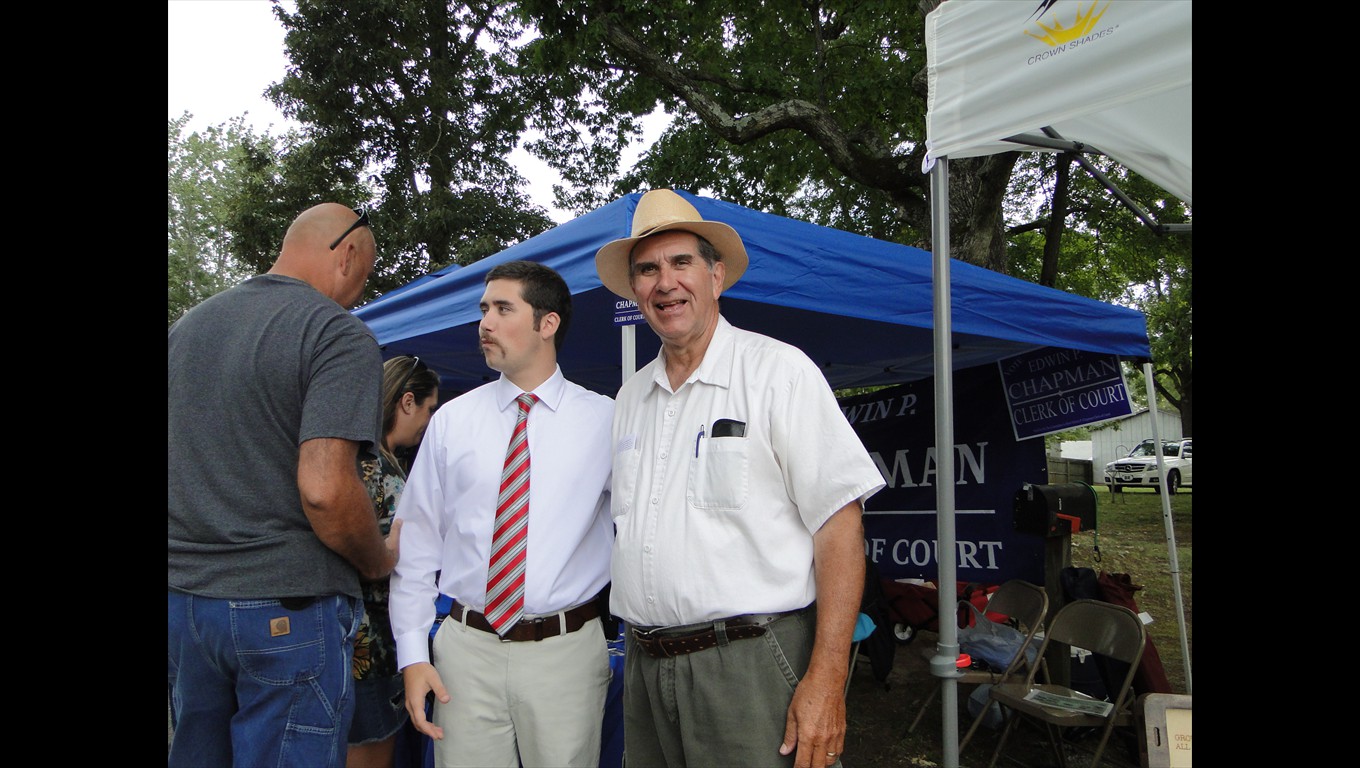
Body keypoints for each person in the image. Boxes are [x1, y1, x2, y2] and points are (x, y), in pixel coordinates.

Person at [593, 189, 887, 768]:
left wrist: (827, 676)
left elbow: (839, 525)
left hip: (751, 662)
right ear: (635, 292)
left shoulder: (778, 371)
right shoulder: (630, 397)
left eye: (682, 263)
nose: (665, 282)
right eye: (647, 270)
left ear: (716, 275)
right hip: (646, 664)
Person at [169, 202, 400, 768]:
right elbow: (325, 489)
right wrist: (375, 560)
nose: (358, 294)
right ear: (347, 253)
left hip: (185, 604)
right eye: (365, 275)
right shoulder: (335, 333)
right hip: (286, 605)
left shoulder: (186, 328)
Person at [389, 259, 615, 768]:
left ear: (547, 322)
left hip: (566, 653)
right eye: (483, 309)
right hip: (466, 652)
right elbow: (419, 541)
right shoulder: (452, 420)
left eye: (503, 309)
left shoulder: (606, 420)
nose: (485, 323)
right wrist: (413, 653)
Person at [349, 355, 441, 768]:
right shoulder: (377, 468)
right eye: (429, 408)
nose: (428, 422)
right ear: (407, 402)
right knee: (371, 752)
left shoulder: (351, 456)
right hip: (373, 644)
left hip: (350, 639)